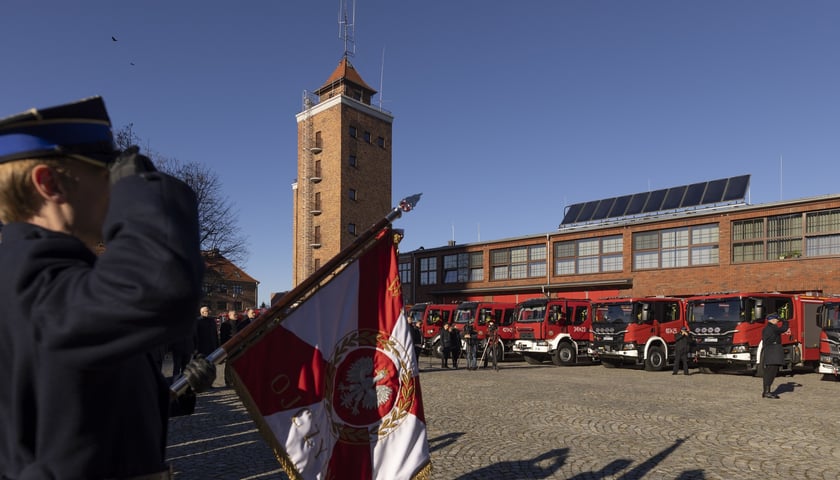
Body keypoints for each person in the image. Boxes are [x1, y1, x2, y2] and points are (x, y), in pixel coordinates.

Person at [0, 97, 205, 479]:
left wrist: (174, 390)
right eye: (105, 172)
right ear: (49, 183)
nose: (116, 192)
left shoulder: (56, 276)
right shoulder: (24, 277)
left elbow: (76, 401)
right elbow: (161, 288)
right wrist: (143, 190)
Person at [761, 313, 789, 399]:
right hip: (773, 353)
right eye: (777, 319)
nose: (777, 321)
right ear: (773, 320)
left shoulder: (767, 328)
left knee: (769, 372)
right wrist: (784, 321)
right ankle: (767, 392)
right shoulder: (772, 328)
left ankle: (766, 391)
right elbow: (784, 328)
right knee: (770, 373)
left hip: (770, 352)